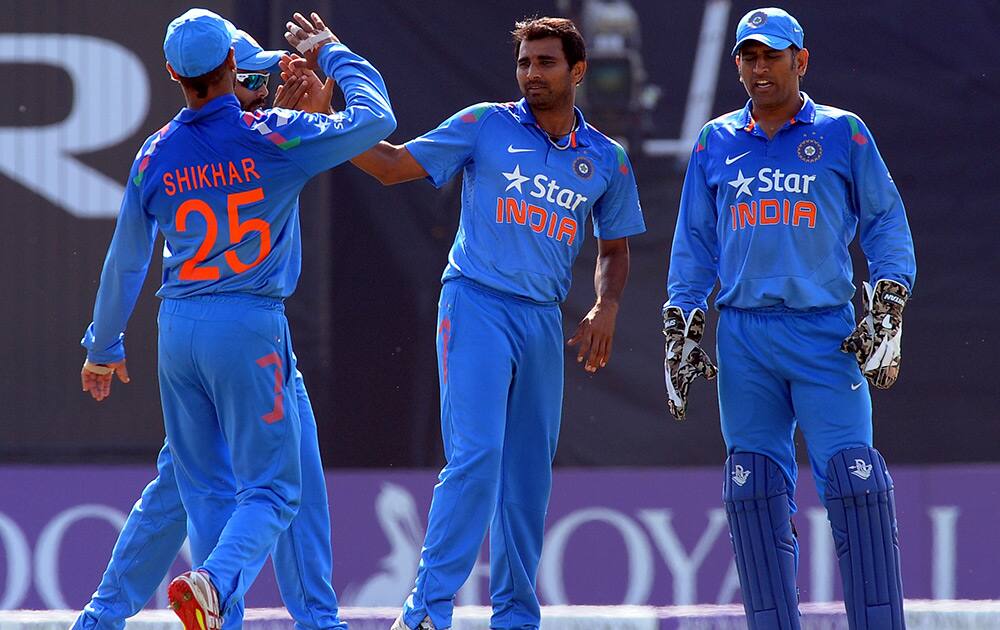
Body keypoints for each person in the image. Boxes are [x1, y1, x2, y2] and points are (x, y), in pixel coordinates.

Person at [79, 9, 395, 630]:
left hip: (178, 328)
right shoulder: (272, 137)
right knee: (275, 489)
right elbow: (376, 120)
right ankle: (217, 586)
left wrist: (104, 345)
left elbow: (124, 262)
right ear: (230, 64)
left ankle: (101, 620)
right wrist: (330, 54)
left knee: (197, 484)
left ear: (172, 73)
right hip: (250, 326)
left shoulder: (155, 153)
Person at [340, 16, 645, 630]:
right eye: (525, 63)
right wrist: (332, 123)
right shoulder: (485, 124)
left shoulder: (606, 159)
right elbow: (393, 166)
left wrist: (605, 306)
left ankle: (515, 617)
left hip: (540, 321)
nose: (532, 74)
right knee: (476, 456)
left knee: (528, 477)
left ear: (577, 71)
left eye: (546, 63)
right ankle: (426, 612)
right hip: (476, 302)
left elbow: (614, 248)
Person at [662, 7, 915, 630]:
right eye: (748, 57)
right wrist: (683, 324)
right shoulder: (714, 140)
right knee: (750, 491)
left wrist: (889, 303)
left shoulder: (842, 132)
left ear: (800, 61)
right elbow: (694, 242)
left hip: (827, 333)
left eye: (772, 55)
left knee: (856, 488)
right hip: (744, 337)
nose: (758, 67)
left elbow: (884, 220)